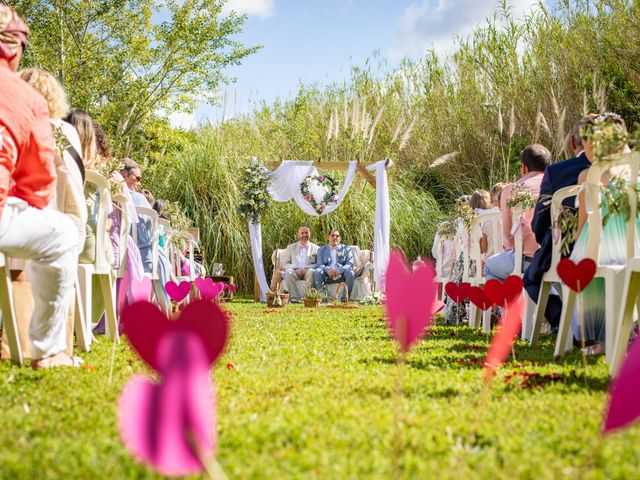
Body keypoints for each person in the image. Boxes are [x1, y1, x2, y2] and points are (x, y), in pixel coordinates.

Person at [0, 6, 78, 368]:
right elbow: (39, 185)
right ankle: (47, 350)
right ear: (15, 46)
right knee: (62, 233)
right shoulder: (24, 98)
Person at [569, 113, 635, 354]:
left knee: (580, 260)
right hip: (635, 247)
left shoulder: (591, 174)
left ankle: (598, 336)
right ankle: (623, 332)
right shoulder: (634, 171)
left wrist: (576, 240)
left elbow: (584, 218)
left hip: (605, 247)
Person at [523, 117, 592, 330]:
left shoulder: (557, 171)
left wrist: (546, 239)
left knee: (531, 277)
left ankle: (565, 322)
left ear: (573, 142)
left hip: (568, 248)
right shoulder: (623, 170)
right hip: (621, 248)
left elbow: (540, 221)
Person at [484, 144, 550, 281]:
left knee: (490, 267)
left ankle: (509, 303)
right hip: (558, 261)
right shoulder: (559, 186)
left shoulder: (511, 190)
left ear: (524, 167)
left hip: (527, 262)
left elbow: (509, 238)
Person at [312, 229, 354, 301]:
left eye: (337, 236)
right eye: (332, 235)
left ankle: (345, 298)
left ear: (340, 238)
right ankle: (322, 298)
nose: (335, 237)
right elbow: (319, 264)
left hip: (341, 274)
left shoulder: (346, 249)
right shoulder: (321, 250)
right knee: (317, 272)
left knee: (351, 273)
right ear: (328, 237)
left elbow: (350, 263)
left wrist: (340, 270)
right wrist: (328, 270)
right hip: (326, 274)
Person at [281, 226, 319, 302]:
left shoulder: (316, 248)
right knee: (288, 272)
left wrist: (307, 268)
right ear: (298, 235)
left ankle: (307, 297)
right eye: (302, 233)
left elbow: (318, 264)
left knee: (311, 271)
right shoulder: (291, 247)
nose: (304, 235)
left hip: (307, 272)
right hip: (296, 272)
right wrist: (295, 268)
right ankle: (294, 298)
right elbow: (285, 264)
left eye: (306, 233)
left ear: (310, 234)